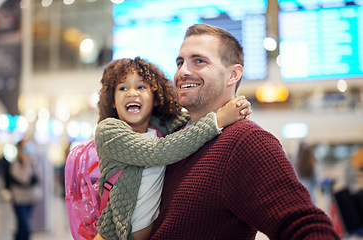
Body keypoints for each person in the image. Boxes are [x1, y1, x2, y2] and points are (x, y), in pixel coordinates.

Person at [103, 24, 341, 239]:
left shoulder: (245, 141)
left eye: (199, 61)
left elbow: (303, 225)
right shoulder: (174, 137)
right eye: (180, 62)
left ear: (233, 75)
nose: (182, 71)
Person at [94, 57, 252, 240]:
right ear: (112, 100)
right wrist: (219, 120)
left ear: (155, 97)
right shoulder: (109, 131)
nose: (132, 93)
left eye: (141, 87)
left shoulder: (162, 127)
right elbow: (159, 151)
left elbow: (195, 120)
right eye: (122, 88)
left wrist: (233, 109)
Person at [9, 139, 42, 240]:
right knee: (24, 227)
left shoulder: (33, 161)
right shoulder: (16, 164)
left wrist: (30, 162)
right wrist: (26, 164)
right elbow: (24, 179)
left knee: (24, 225)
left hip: (30, 198)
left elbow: (38, 177)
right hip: (19, 200)